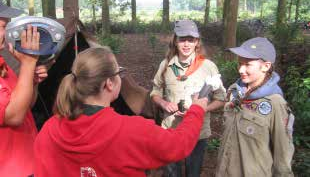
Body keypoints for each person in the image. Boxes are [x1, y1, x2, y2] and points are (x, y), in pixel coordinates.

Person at [33, 47, 209, 177]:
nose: (120, 77)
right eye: (119, 72)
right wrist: (196, 110)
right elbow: (178, 145)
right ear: (109, 83)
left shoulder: (49, 130)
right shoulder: (132, 130)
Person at [150, 19, 226, 177]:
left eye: (190, 40)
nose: (186, 44)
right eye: (182, 39)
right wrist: (164, 103)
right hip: (171, 129)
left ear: (197, 42)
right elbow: (155, 91)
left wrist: (200, 109)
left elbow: (221, 99)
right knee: (172, 173)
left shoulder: (208, 67)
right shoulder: (165, 65)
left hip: (198, 132)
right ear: (175, 41)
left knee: (193, 172)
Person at [216, 37, 294, 177]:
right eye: (239, 63)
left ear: (266, 66)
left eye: (247, 64)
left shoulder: (275, 103)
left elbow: (282, 159)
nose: (241, 69)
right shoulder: (234, 92)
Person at [0, 1, 49, 177]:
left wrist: (32, 82)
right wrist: (28, 63)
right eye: (3, 26)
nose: (7, 34)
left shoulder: (3, 65)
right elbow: (13, 117)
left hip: (28, 164)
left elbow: (26, 106)